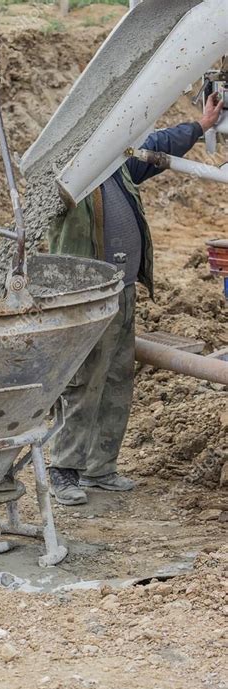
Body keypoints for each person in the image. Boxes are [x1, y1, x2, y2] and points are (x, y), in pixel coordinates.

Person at [47, 93, 224, 506]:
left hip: (122, 289)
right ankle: (64, 470)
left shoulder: (119, 167)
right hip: (86, 295)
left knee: (116, 379)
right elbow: (46, 181)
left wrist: (201, 125)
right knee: (84, 381)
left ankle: (100, 468)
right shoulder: (70, 176)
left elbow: (157, 147)